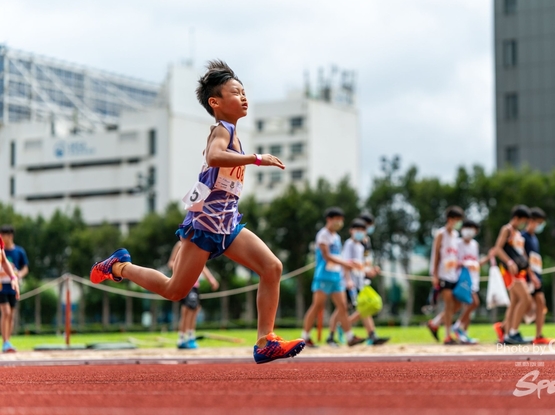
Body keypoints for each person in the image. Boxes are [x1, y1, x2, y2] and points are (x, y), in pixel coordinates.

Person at [90, 60, 305, 364]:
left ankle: (264, 342)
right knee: (174, 290)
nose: (244, 97)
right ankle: (118, 267)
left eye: (244, 92)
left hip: (228, 224)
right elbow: (214, 156)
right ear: (216, 102)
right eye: (236, 92)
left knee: (272, 268)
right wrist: (257, 159)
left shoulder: (232, 132)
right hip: (205, 224)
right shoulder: (221, 132)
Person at [301, 208, 365, 348]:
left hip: (336, 276)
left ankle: (350, 337)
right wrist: (347, 264)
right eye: (337, 219)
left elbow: (337, 256)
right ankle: (304, 337)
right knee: (317, 306)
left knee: (343, 306)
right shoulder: (323, 235)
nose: (339, 222)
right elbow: (327, 256)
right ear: (329, 219)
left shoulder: (336, 237)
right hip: (323, 275)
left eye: (341, 220)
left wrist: (347, 264)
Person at [327, 219, 389, 346]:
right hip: (348, 283)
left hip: (359, 283)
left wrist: (370, 271)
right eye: (358, 230)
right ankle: (332, 335)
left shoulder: (361, 246)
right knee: (341, 309)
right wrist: (348, 280)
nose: (360, 232)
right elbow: (346, 263)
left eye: (362, 230)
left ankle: (370, 334)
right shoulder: (349, 244)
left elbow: (360, 267)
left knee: (361, 307)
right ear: (351, 231)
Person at [492, 205, 539, 345]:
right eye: (523, 221)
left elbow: (523, 256)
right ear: (516, 218)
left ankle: (505, 332)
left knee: (514, 303)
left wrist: (532, 274)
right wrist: (509, 261)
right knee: (525, 299)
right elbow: (497, 249)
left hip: (520, 271)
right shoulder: (507, 230)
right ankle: (513, 332)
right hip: (510, 271)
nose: (524, 224)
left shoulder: (518, 234)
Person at [167, 241, 220, 349]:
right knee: (188, 310)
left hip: (195, 284)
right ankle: (183, 339)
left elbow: (202, 265)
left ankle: (188, 337)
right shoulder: (180, 245)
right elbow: (171, 263)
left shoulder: (197, 243)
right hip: (185, 282)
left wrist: (211, 279)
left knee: (194, 309)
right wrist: (182, 268)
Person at [427, 206, 465, 345]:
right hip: (443, 275)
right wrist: (434, 274)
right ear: (450, 219)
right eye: (457, 220)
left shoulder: (456, 236)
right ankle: (447, 335)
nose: (459, 223)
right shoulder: (440, 234)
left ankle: (435, 323)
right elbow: (435, 255)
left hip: (454, 275)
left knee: (457, 305)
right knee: (448, 305)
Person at [451, 220, 490, 344]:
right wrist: (465, 264)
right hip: (461, 279)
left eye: (471, 228)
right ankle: (457, 326)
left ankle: (464, 335)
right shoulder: (456, 243)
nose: (468, 231)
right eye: (466, 227)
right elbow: (452, 261)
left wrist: (488, 257)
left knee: (469, 307)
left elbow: (476, 263)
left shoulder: (475, 245)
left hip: (474, 279)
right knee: (474, 303)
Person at [522, 207, 554, 345]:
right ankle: (505, 329)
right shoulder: (523, 237)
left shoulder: (535, 238)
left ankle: (539, 335)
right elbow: (523, 259)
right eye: (539, 222)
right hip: (527, 277)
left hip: (536, 275)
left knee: (541, 303)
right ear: (531, 221)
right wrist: (531, 275)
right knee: (523, 304)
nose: (540, 226)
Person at [0, 225, 27, 353]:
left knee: (11, 314)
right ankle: (5, 341)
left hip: (11, 286)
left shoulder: (19, 251)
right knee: (5, 312)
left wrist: (14, 277)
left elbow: (4, 261)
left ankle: (7, 342)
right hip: (1, 286)